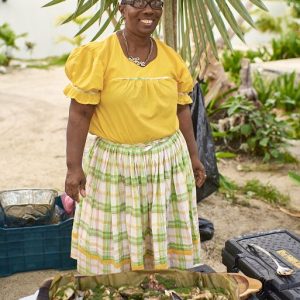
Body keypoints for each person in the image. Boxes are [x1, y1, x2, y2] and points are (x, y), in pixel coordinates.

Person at [63, 0, 206, 275]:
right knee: (116, 236)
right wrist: (73, 167)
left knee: (159, 234)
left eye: (155, 3)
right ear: (121, 8)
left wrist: (194, 156)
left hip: (165, 162)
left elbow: (182, 111)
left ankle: (159, 286)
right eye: (138, 2)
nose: (148, 10)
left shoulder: (170, 59)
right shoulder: (98, 56)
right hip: (115, 164)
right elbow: (79, 113)